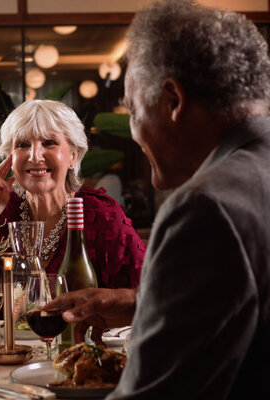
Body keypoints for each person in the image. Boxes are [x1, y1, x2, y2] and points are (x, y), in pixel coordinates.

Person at [47, 1, 270, 398]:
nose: (133, 133)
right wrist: (141, 303)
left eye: (133, 111)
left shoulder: (204, 208)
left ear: (173, 101)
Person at [0, 99, 145, 289]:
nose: (35, 156)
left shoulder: (102, 216)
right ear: (10, 158)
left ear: (73, 156)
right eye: (22, 145)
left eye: (49, 143)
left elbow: (146, 294)